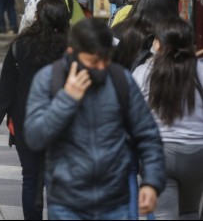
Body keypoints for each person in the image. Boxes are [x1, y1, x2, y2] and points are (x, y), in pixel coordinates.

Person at [24, 18, 166, 220]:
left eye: (105, 60)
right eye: (92, 62)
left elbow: (148, 135)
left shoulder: (120, 80)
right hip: (67, 204)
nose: (100, 67)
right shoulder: (49, 79)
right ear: (72, 53)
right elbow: (34, 136)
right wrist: (66, 100)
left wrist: (151, 182)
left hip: (115, 202)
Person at [0, 0, 70, 220]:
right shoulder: (72, 49)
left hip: (26, 123)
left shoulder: (20, 46)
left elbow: (6, 89)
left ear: (38, 17)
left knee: (31, 178)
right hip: (63, 125)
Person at [133, 17, 203, 220]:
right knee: (189, 212)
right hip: (197, 152)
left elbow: (133, 113)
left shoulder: (144, 72)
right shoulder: (199, 70)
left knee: (164, 214)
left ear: (159, 44)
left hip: (158, 153)